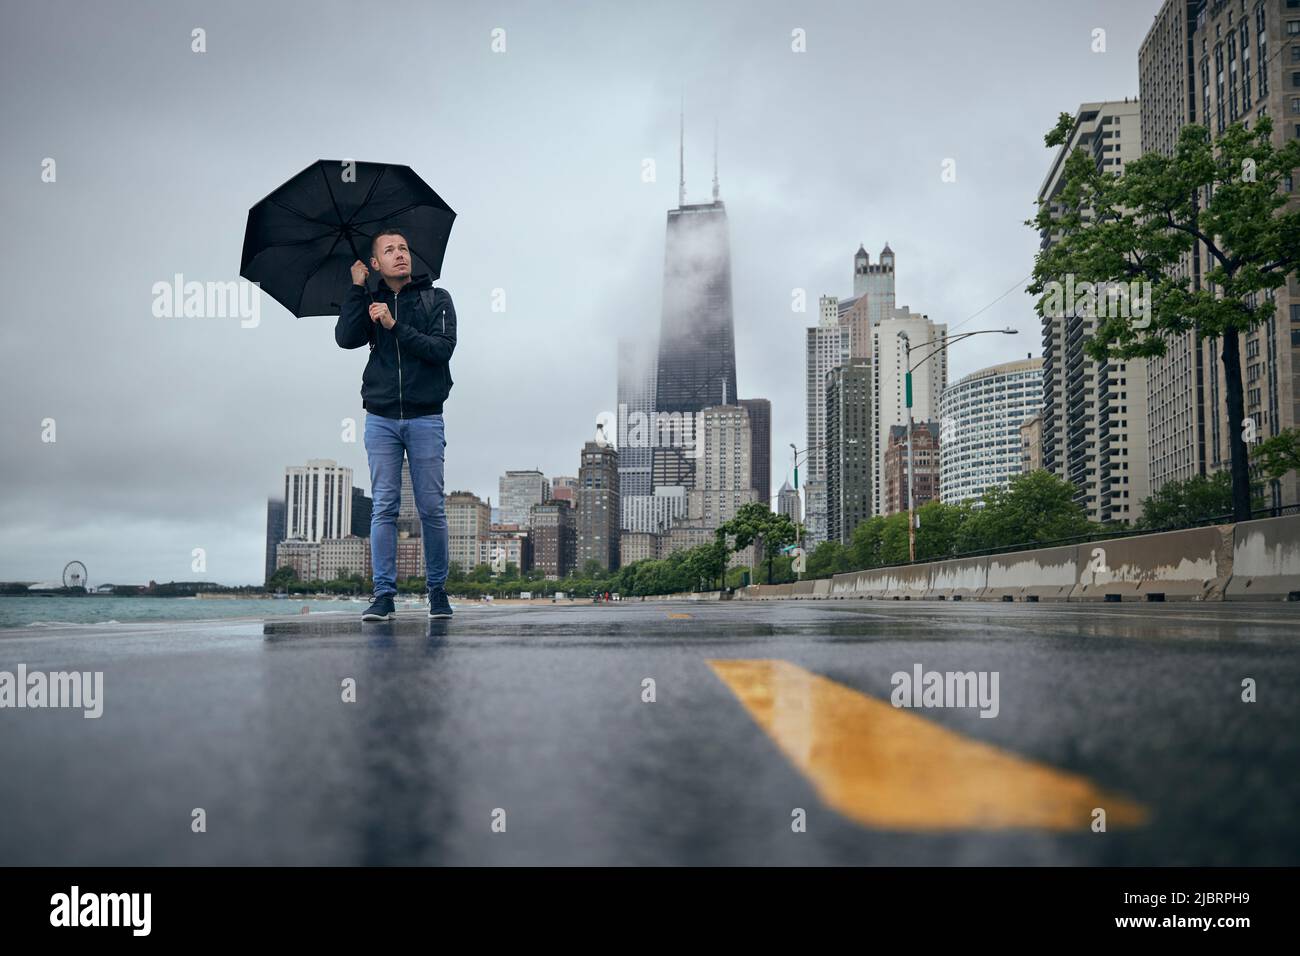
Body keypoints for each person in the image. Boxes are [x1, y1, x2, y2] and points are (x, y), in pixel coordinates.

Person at [334, 225, 457, 620]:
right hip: (381, 418)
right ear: (375, 263)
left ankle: (437, 591)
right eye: (389, 250)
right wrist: (356, 288)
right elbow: (345, 339)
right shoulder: (369, 301)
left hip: (425, 416)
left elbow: (441, 350)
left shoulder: (436, 298)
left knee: (431, 508)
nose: (400, 254)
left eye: (404, 247)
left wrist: (393, 325)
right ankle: (383, 595)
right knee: (383, 506)